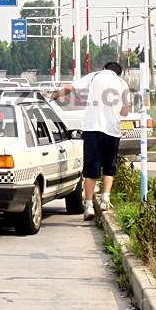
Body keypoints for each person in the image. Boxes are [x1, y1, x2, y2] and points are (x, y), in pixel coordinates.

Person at [45, 62, 131, 221]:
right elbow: (126, 110)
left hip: (92, 129)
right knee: (109, 166)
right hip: (112, 130)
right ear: (117, 73)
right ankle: (106, 199)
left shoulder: (95, 76)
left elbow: (70, 88)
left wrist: (53, 96)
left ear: (104, 68)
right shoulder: (122, 83)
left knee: (91, 168)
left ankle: (89, 205)